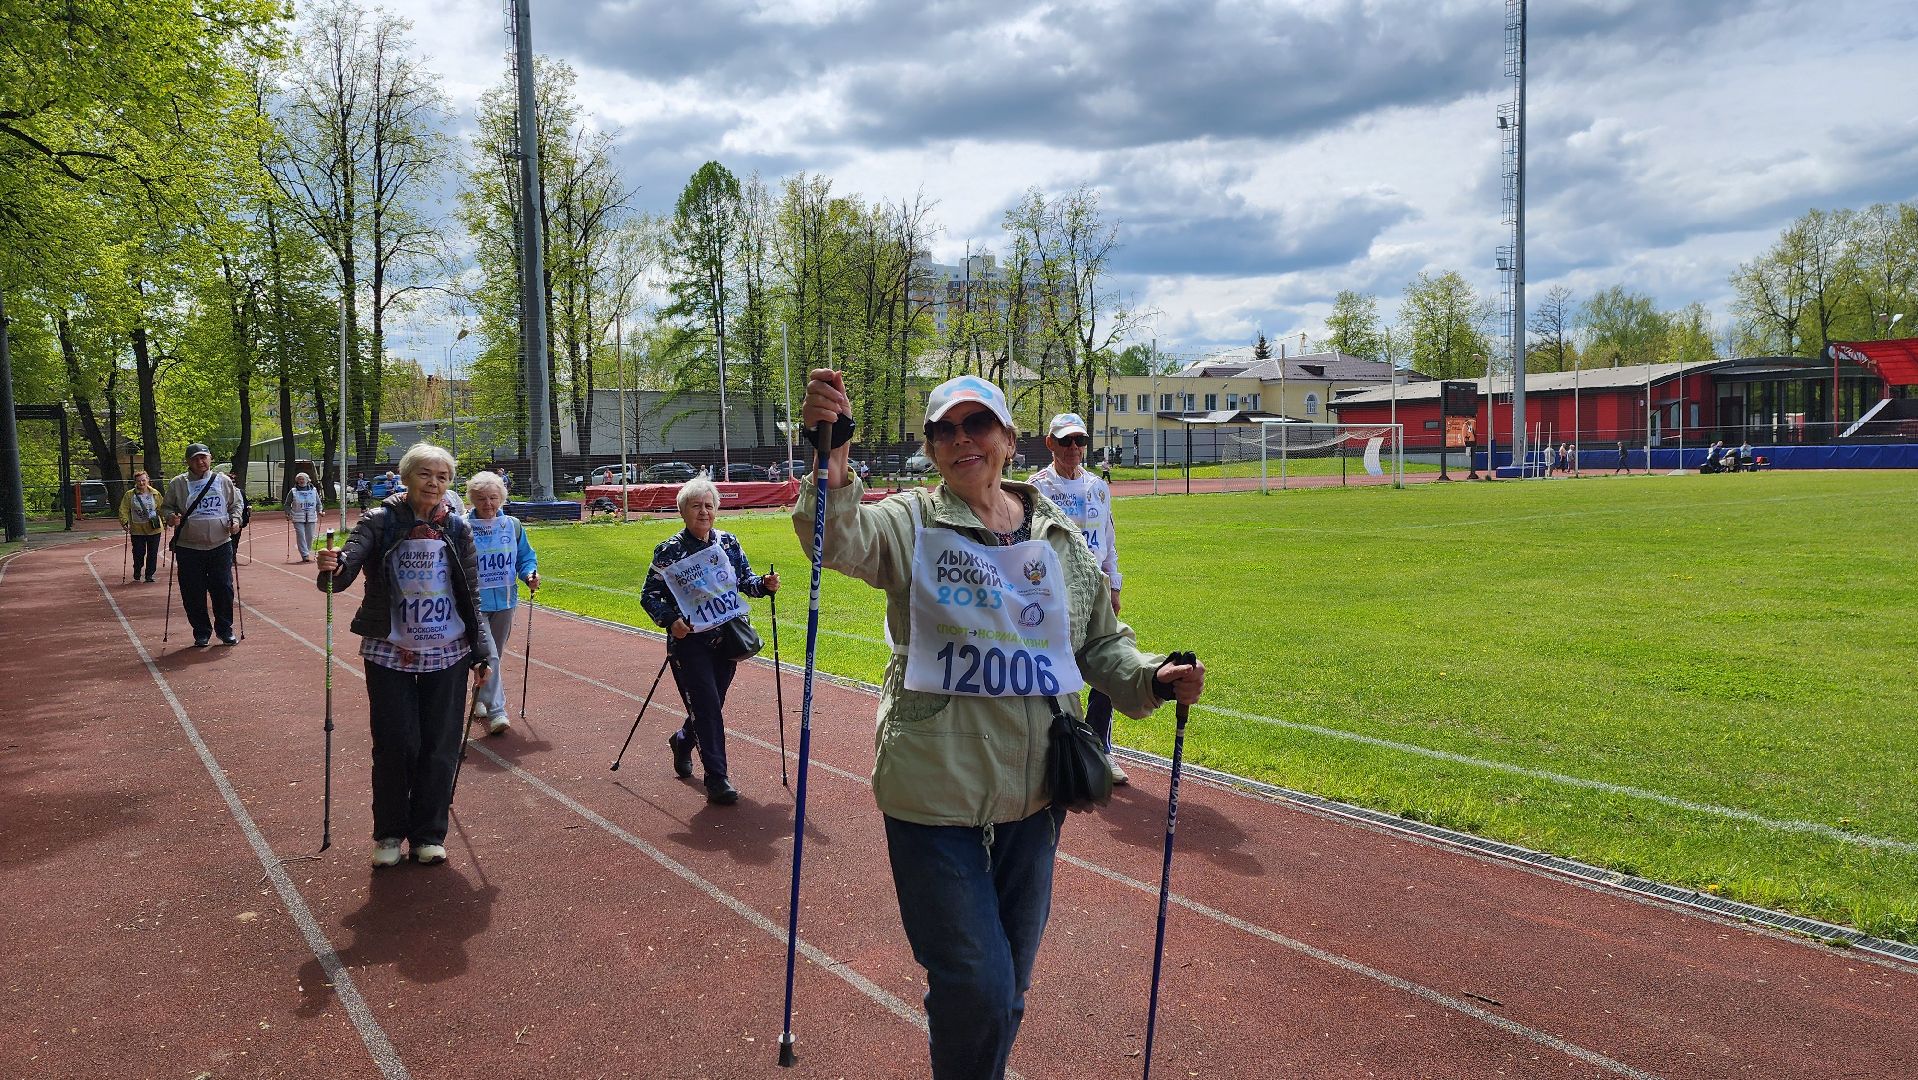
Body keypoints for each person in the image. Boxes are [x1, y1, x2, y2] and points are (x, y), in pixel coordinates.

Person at [796, 370, 1205, 1080]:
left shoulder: (1058, 537)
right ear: (932, 449)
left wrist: (1150, 676)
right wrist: (830, 461)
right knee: (977, 985)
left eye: (977, 424)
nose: (962, 440)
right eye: (944, 430)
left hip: (1035, 790)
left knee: (1008, 988)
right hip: (933, 789)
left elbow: (1099, 644)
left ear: (1009, 439)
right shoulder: (913, 522)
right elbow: (838, 539)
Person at [316, 442, 495, 868]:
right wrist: (333, 566)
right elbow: (344, 569)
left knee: (440, 745)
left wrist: (481, 652)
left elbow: (471, 593)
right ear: (406, 477)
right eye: (425, 474)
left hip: (448, 650)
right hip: (389, 649)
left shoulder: (458, 528)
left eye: (442, 477)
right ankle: (390, 833)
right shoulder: (379, 520)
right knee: (396, 743)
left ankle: (428, 834)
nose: (433, 483)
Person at [641, 474, 779, 804]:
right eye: (696, 506)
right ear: (682, 511)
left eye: (709, 505)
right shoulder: (669, 551)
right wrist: (670, 621)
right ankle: (717, 778)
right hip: (689, 643)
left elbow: (745, 582)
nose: (703, 512)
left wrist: (764, 584)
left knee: (711, 705)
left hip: (727, 641)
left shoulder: (728, 543)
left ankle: (682, 740)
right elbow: (650, 596)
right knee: (706, 708)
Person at [1028, 412, 1128, 785]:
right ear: (1050, 443)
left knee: (1106, 668)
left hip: (1096, 589)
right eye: (1065, 440)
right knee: (1058, 672)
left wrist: (1114, 585)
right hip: (1055, 591)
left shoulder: (1098, 487)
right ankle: (1058, 751)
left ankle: (1100, 749)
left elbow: (1108, 540)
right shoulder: (1037, 487)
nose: (1073, 447)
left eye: (1079, 440)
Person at [465, 471, 538, 736]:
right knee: (490, 656)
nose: (488, 504)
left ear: (502, 498)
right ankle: (497, 711)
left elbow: (525, 558)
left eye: (493, 498)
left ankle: (480, 693)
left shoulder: (512, 526)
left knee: (494, 655)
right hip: (475, 603)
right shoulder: (463, 527)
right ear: (472, 500)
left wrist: (529, 574)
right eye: (481, 498)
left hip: (506, 601)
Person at [162, 444, 245, 647]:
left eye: (203, 457)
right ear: (188, 462)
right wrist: (170, 517)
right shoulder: (178, 483)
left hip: (220, 544)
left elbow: (236, 504)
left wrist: (236, 520)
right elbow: (166, 507)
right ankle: (201, 632)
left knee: (223, 588)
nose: (200, 462)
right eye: (195, 459)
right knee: (193, 591)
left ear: (210, 458)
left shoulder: (223, 480)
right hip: (189, 547)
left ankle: (225, 630)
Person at [119, 470, 164, 582]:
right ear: (135, 482)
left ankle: (149, 575)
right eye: (139, 481)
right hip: (137, 529)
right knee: (138, 552)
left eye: (143, 480)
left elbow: (161, 508)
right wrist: (124, 521)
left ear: (148, 480)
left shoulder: (155, 493)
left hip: (154, 528)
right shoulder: (129, 495)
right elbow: (123, 509)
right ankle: (137, 570)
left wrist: (166, 519)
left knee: (152, 553)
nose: (141, 483)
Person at [285, 472, 322, 563]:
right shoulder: (293, 491)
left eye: (303, 479)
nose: (301, 481)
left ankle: (307, 551)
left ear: (307, 480)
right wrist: (288, 513)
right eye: (299, 479)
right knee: (301, 535)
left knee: (310, 536)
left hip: (311, 517)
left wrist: (320, 511)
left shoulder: (313, 490)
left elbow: (318, 503)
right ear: (297, 481)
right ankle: (305, 555)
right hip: (298, 517)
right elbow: (287, 504)